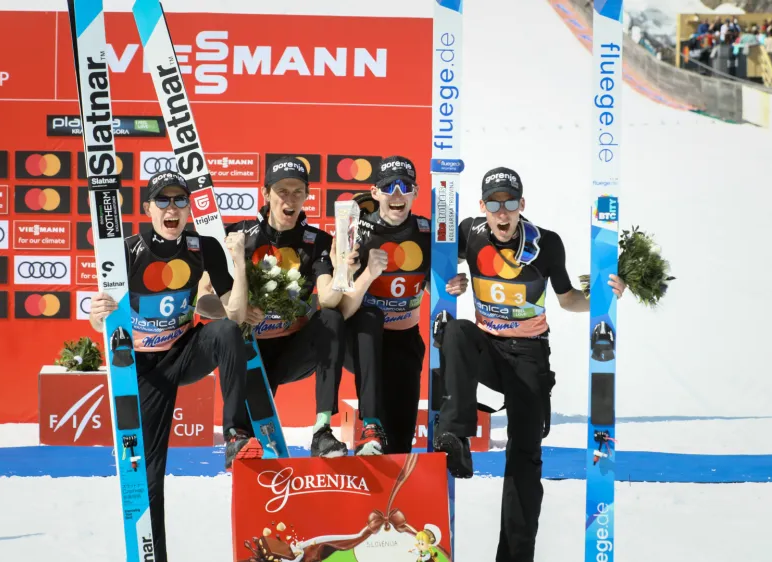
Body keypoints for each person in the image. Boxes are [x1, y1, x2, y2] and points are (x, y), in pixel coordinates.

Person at [431, 167, 626, 562]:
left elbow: (568, 298)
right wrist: (451, 278)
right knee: (454, 332)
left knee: (524, 458)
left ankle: (515, 556)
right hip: (486, 348)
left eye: (510, 203)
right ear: (482, 207)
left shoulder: (546, 244)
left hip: (529, 354)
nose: (502, 214)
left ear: (522, 205)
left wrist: (605, 299)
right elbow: (435, 257)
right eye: (494, 204)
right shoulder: (469, 232)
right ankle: (456, 436)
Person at [87, 170, 257, 562]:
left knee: (228, 332)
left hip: (184, 351)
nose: (172, 208)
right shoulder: (125, 251)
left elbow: (236, 312)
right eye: (162, 200)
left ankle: (234, 434)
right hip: (145, 369)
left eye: (180, 200)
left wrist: (239, 262)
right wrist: (96, 316)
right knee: (147, 474)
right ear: (147, 208)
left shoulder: (203, 246)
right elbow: (103, 320)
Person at [223, 156, 386, 457]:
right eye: (282, 191)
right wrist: (232, 306)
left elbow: (328, 300)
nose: (290, 198)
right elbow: (206, 300)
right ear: (266, 193)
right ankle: (237, 438)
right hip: (251, 351)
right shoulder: (238, 235)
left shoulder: (317, 241)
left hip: (293, 351)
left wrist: (342, 272)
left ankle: (322, 431)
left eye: (298, 191)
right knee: (255, 446)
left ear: (307, 196)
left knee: (330, 319)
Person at [338, 155, 468, 454]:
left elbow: (435, 284)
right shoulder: (356, 232)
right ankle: (368, 430)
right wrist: (368, 274)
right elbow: (342, 305)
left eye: (405, 186)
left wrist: (451, 285)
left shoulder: (429, 233)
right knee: (368, 318)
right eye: (388, 187)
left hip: (405, 340)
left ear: (415, 193)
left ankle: (393, 498)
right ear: (375, 193)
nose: (397, 194)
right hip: (362, 339)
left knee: (400, 438)